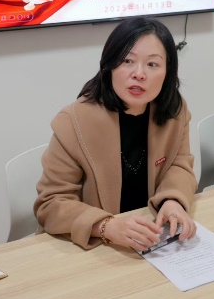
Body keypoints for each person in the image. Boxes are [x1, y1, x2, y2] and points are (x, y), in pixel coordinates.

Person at [34, 17, 197, 251]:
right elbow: (50, 204)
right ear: (109, 65)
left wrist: (172, 201)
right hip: (93, 248)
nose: (139, 74)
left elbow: (179, 165)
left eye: (152, 64)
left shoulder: (174, 111)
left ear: (167, 71)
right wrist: (106, 226)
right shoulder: (74, 121)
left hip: (151, 239)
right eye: (127, 61)